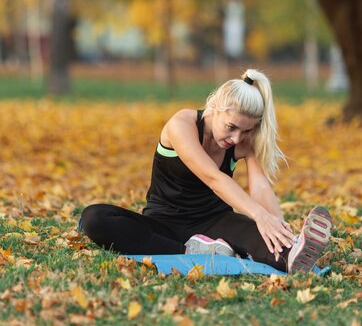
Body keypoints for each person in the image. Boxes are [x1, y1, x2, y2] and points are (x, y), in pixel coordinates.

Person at [79, 69, 332, 273]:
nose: (236, 138)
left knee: (271, 242)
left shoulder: (245, 141)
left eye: (246, 131)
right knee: (94, 218)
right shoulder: (182, 124)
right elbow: (213, 178)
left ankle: (292, 255)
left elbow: (260, 186)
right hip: (162, 223)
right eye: (231, 127)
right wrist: (259, 215)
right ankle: (194, 252)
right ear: (214, 106)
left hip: (216, 222)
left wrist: (280, 228)